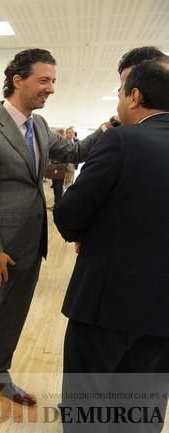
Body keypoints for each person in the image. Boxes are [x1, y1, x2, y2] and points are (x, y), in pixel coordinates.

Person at [0, 48, 106, 424]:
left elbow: (74, 150)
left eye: (53, 81)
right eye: (44, 80)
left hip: (30, 246)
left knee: (12, 319)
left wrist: (111, 126)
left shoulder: (39, 126)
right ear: (18, 80)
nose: (51, 89)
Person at [55, 52, 169, 433]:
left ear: (134, 96)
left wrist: (88, 232)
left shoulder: (121, 141)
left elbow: (70, 215)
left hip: (106, 310)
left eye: (120, 91)